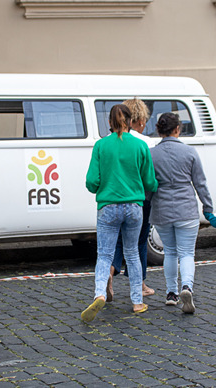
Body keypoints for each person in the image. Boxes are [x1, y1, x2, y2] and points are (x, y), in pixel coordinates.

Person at [82, 104, 157, 322]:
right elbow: (150, 181)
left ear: (109, 122)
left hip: (108, 206)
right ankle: (137, 302)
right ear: (131, 121)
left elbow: (91, 182)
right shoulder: (140, 145)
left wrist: (101, 188)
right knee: (132, 254)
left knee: (104, 254)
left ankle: (99, 294)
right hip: (134, 206)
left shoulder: (101, 146)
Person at [150, 112, 213, 314]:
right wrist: (208, 206)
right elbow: (200, 183)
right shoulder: (190, 153)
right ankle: (187, 286)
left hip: (162, 210)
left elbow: (149, 186)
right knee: (187, 253)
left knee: (170, 251)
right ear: (178, 129)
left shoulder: (151, 154)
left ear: (159, 130)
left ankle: (171, 293)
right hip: (186, 209)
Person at [106, 98, 155, 302]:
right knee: (138, 244)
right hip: (139, 200)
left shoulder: (106, 141)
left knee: (117, 242)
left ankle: (111, 270)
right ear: (140, 120)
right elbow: (150, 177)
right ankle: (140, 286)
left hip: (112, 199)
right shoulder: (145, 143)